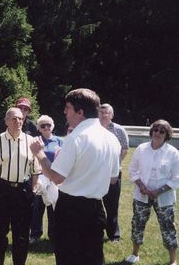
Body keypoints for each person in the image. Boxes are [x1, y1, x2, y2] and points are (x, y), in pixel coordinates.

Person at [30, 88, 121, 265]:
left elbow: (56, 177)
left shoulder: (77, 137)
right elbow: (113, 179)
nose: (65, 112)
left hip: (71, 209)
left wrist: (39, 154)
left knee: (68, 258)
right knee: (93, 258)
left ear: (80, 112)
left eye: (68, 108)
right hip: (96, 208)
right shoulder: (111, 138)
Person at [0, 107, 41, 265]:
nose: (18, 121)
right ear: (6, 121)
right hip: (1, 191)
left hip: (22, 192)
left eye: (20, 119)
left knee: (21, 235)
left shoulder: (31, 141)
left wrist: (34, 188)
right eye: (14, 118)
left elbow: (35, 170)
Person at [125, 120, 179, 265]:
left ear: (167, 135)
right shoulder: (141, 149)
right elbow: (132, 170)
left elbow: (176, 178)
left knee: (168, 227)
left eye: (162, 131)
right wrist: (141, 185)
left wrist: (160, 190)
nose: (158, 133)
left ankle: (173, 260)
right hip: (142, 194)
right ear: (151, 131)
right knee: (137, 224)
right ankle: (135, 254)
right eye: (155, 130)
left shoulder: (173, 153)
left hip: (164, 196)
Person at [29, 115, 63, 245]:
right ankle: (35, 234)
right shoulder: (36, 141)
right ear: (39, 128)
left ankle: (53, 235)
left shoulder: (59, 141)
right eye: (43, 125)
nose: (46, 128)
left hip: (54, 178)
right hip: (39, 177)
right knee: (37, 207)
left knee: (53, 207)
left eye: (48, 125)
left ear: (52, 126)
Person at [99, 103, 129, 242]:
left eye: (107, 113)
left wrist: (114, 166)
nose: (104, 115)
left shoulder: (119, 130)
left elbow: (124, 150)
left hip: (114, 174)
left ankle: (114, 235)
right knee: (94, 205)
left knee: (112, 206)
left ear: (112, 115)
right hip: (95, 173)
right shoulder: (94, 129)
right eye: (101, 112)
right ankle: (96, 232)